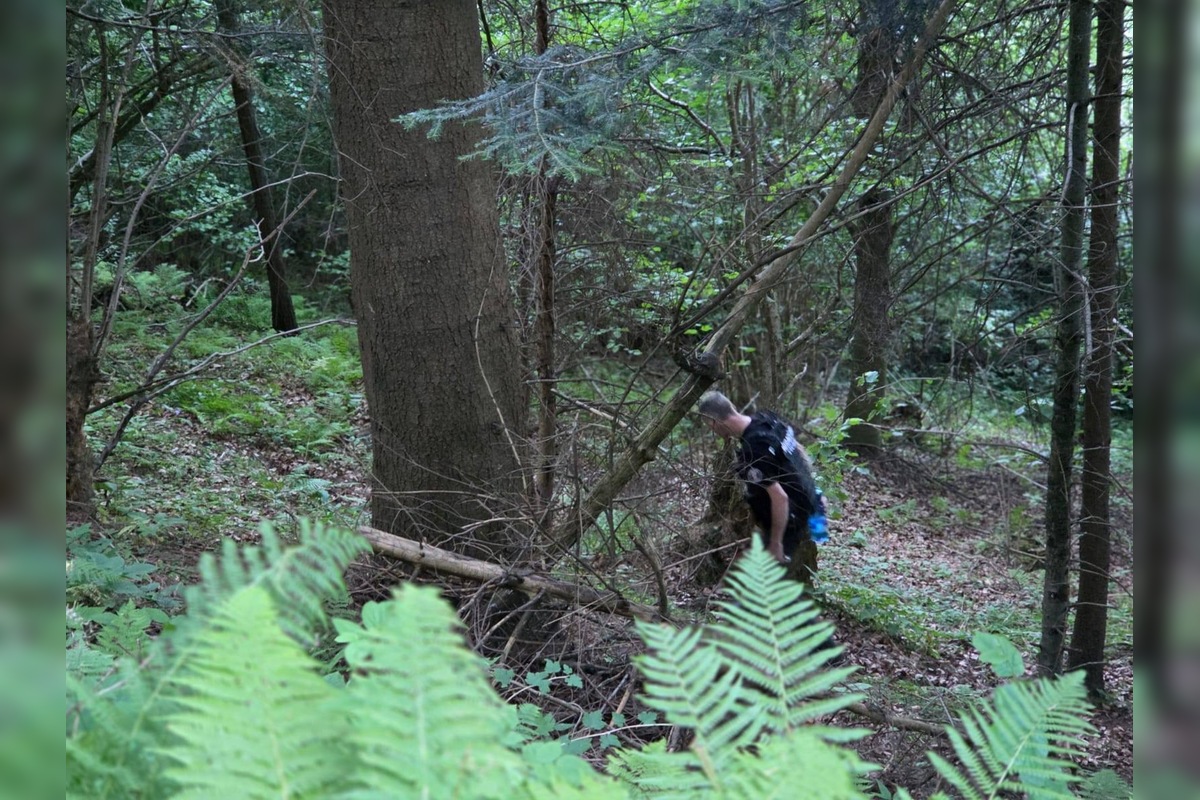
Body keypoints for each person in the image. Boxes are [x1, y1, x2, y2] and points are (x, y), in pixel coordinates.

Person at [697, 390, 828, 565]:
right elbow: (798, 452)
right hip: (808, 499)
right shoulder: (768, 419)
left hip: (791, 518)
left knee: (770, 577)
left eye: (710, 426)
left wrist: (776, 543)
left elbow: (780, 498)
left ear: (714, 422)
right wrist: (813, 490)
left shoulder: (753, 452)